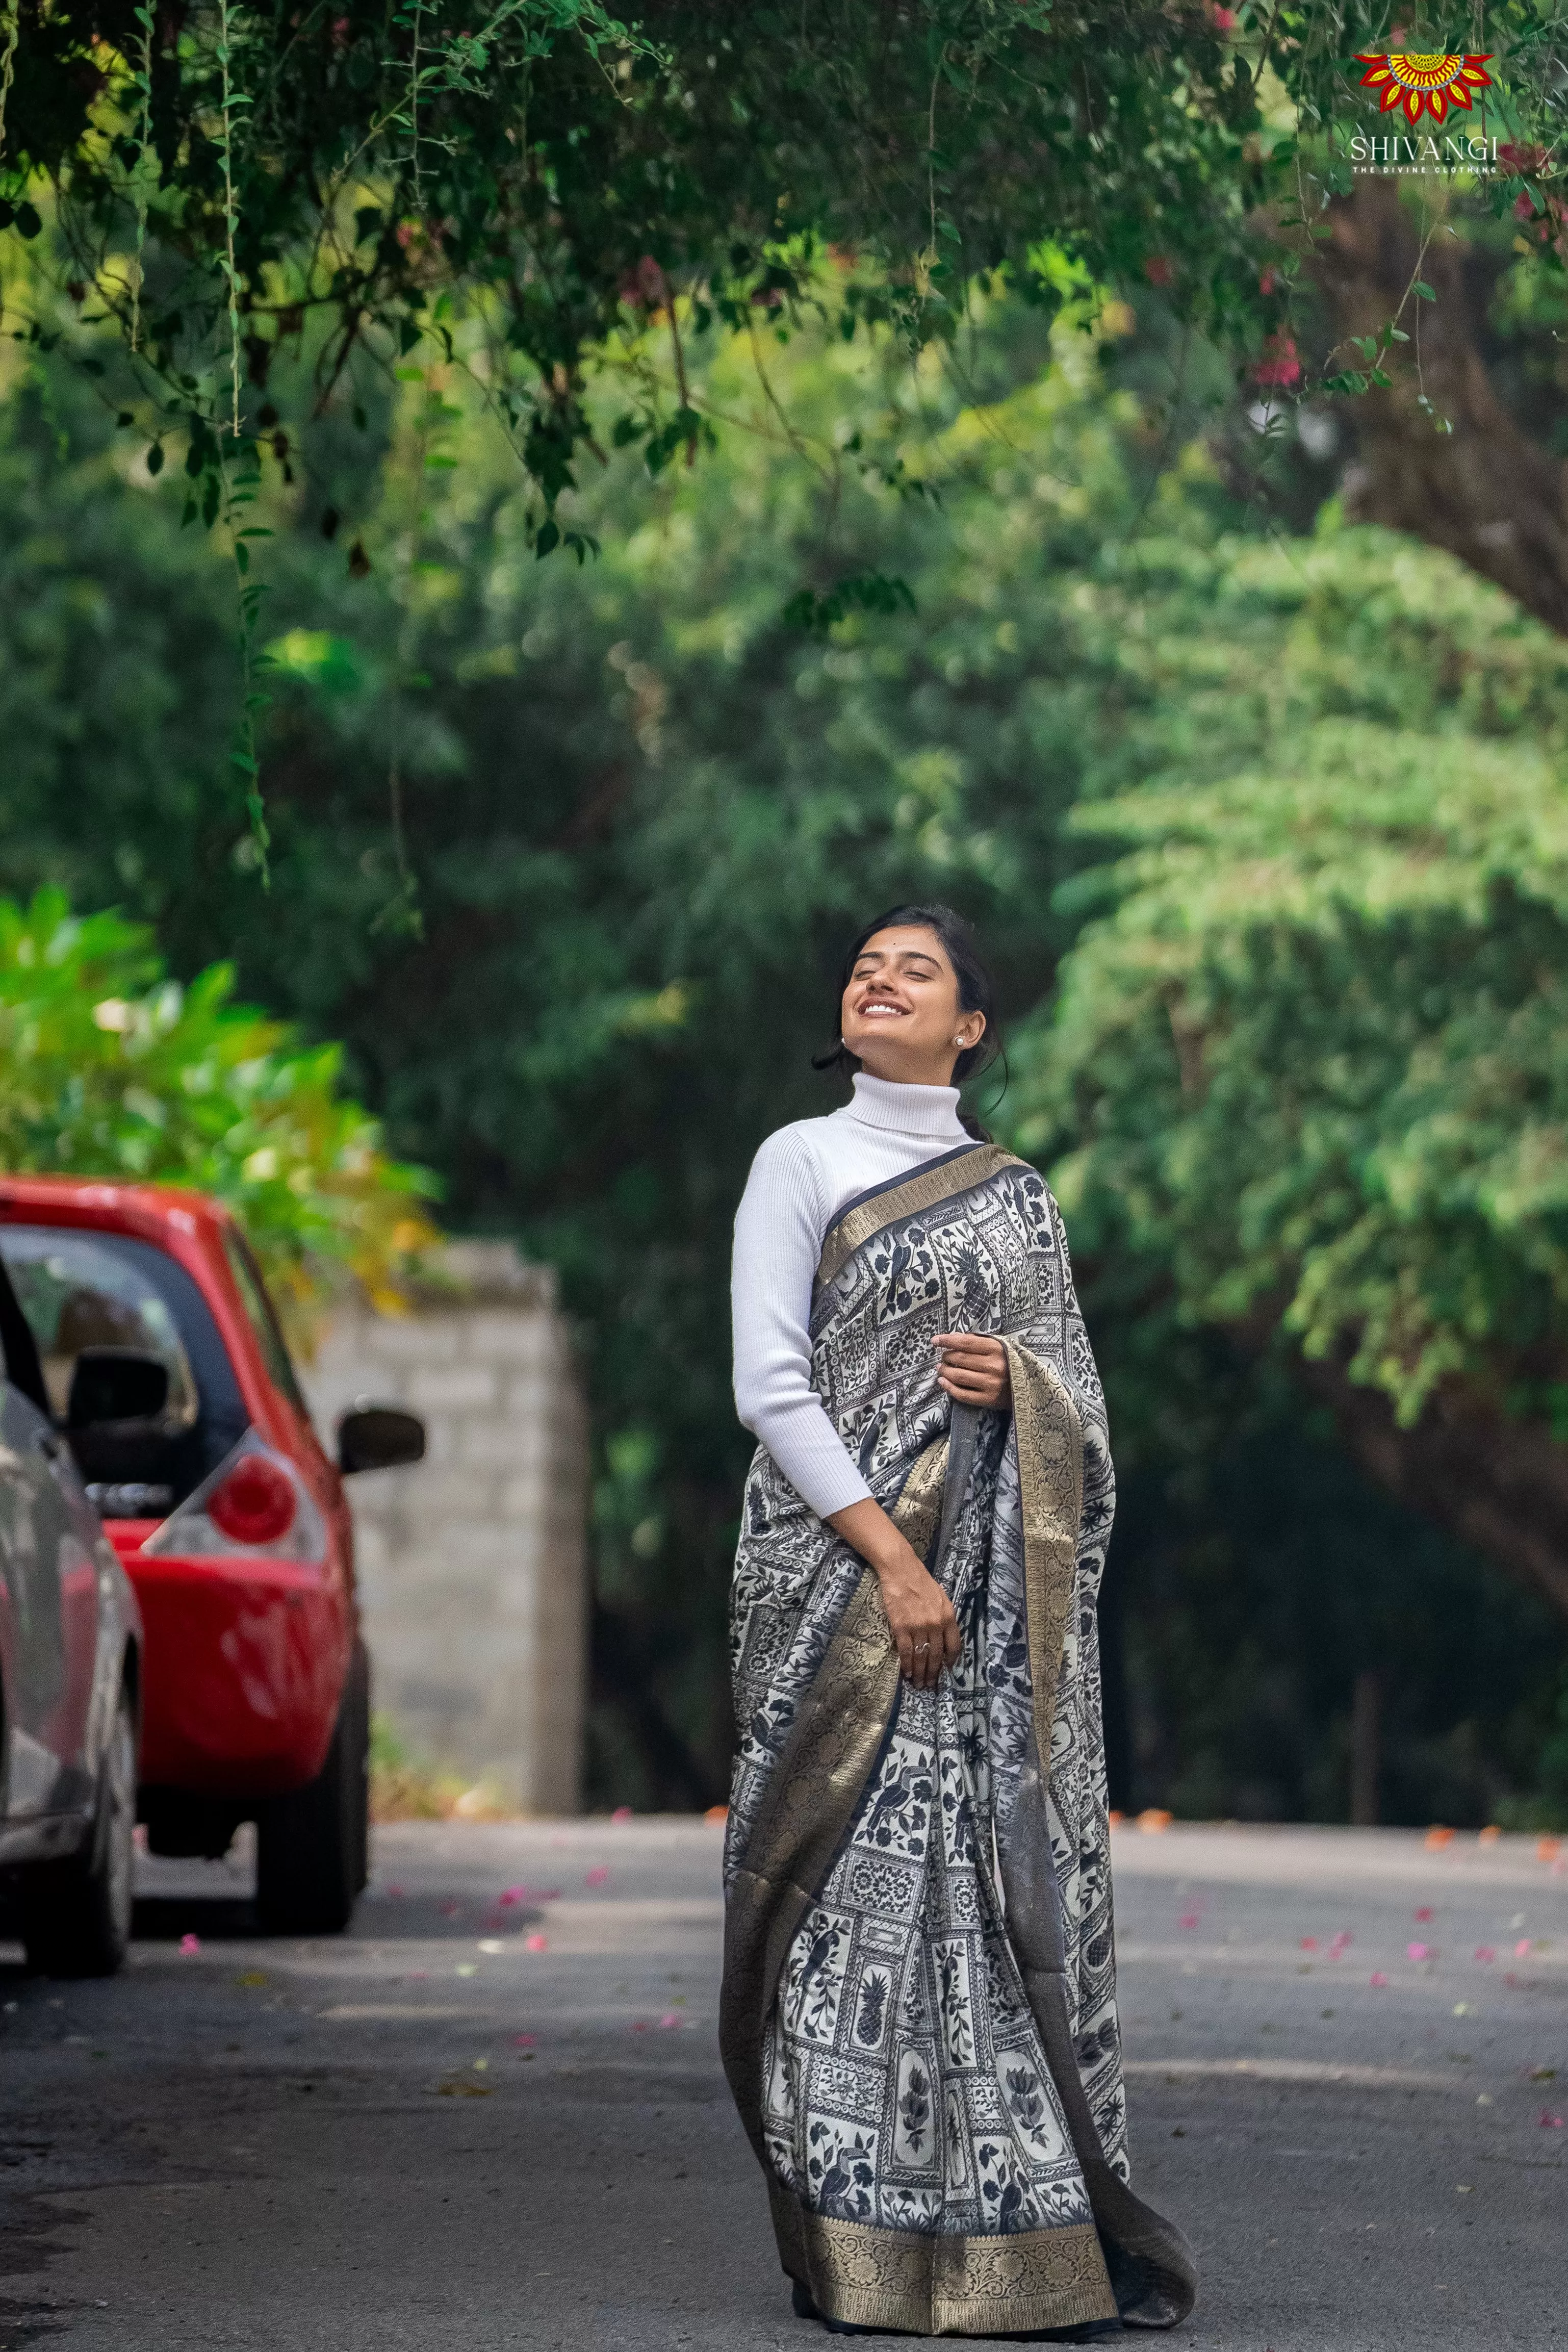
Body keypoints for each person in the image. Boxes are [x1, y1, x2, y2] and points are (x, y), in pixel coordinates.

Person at [721, 904, 1196, 2339]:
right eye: (864, 963)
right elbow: (771, 1383)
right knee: (839, 1904)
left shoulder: (1019, 1198)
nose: (877, 977)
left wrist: (1021, 1389)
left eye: (913, 969)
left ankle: (1018, 2235)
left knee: (982, 1900)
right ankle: (846, 2234)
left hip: (992, 1613)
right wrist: (892, 1563)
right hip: (834, 1587)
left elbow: (1086, 1426)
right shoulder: (799, 1161)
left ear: (969, 1024)